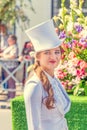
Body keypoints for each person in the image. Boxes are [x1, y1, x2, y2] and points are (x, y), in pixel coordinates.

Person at [24, 19, 71, 130]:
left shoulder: (55, 80)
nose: (53, 57)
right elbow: (33, 126)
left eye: (56, 52)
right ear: (38, 57)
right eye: (47, 52)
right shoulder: (35, 85)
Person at [0, 34, 19, 100]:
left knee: (11, 81)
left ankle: (12, 97)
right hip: (6, 66)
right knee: (8, 81)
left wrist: (4, 56)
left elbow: (12, 56)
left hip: (11, 66)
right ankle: (9, 96)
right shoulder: (9, 47)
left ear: (14, 40)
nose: (8, 40)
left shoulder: (14, 47)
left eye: (10, 39)